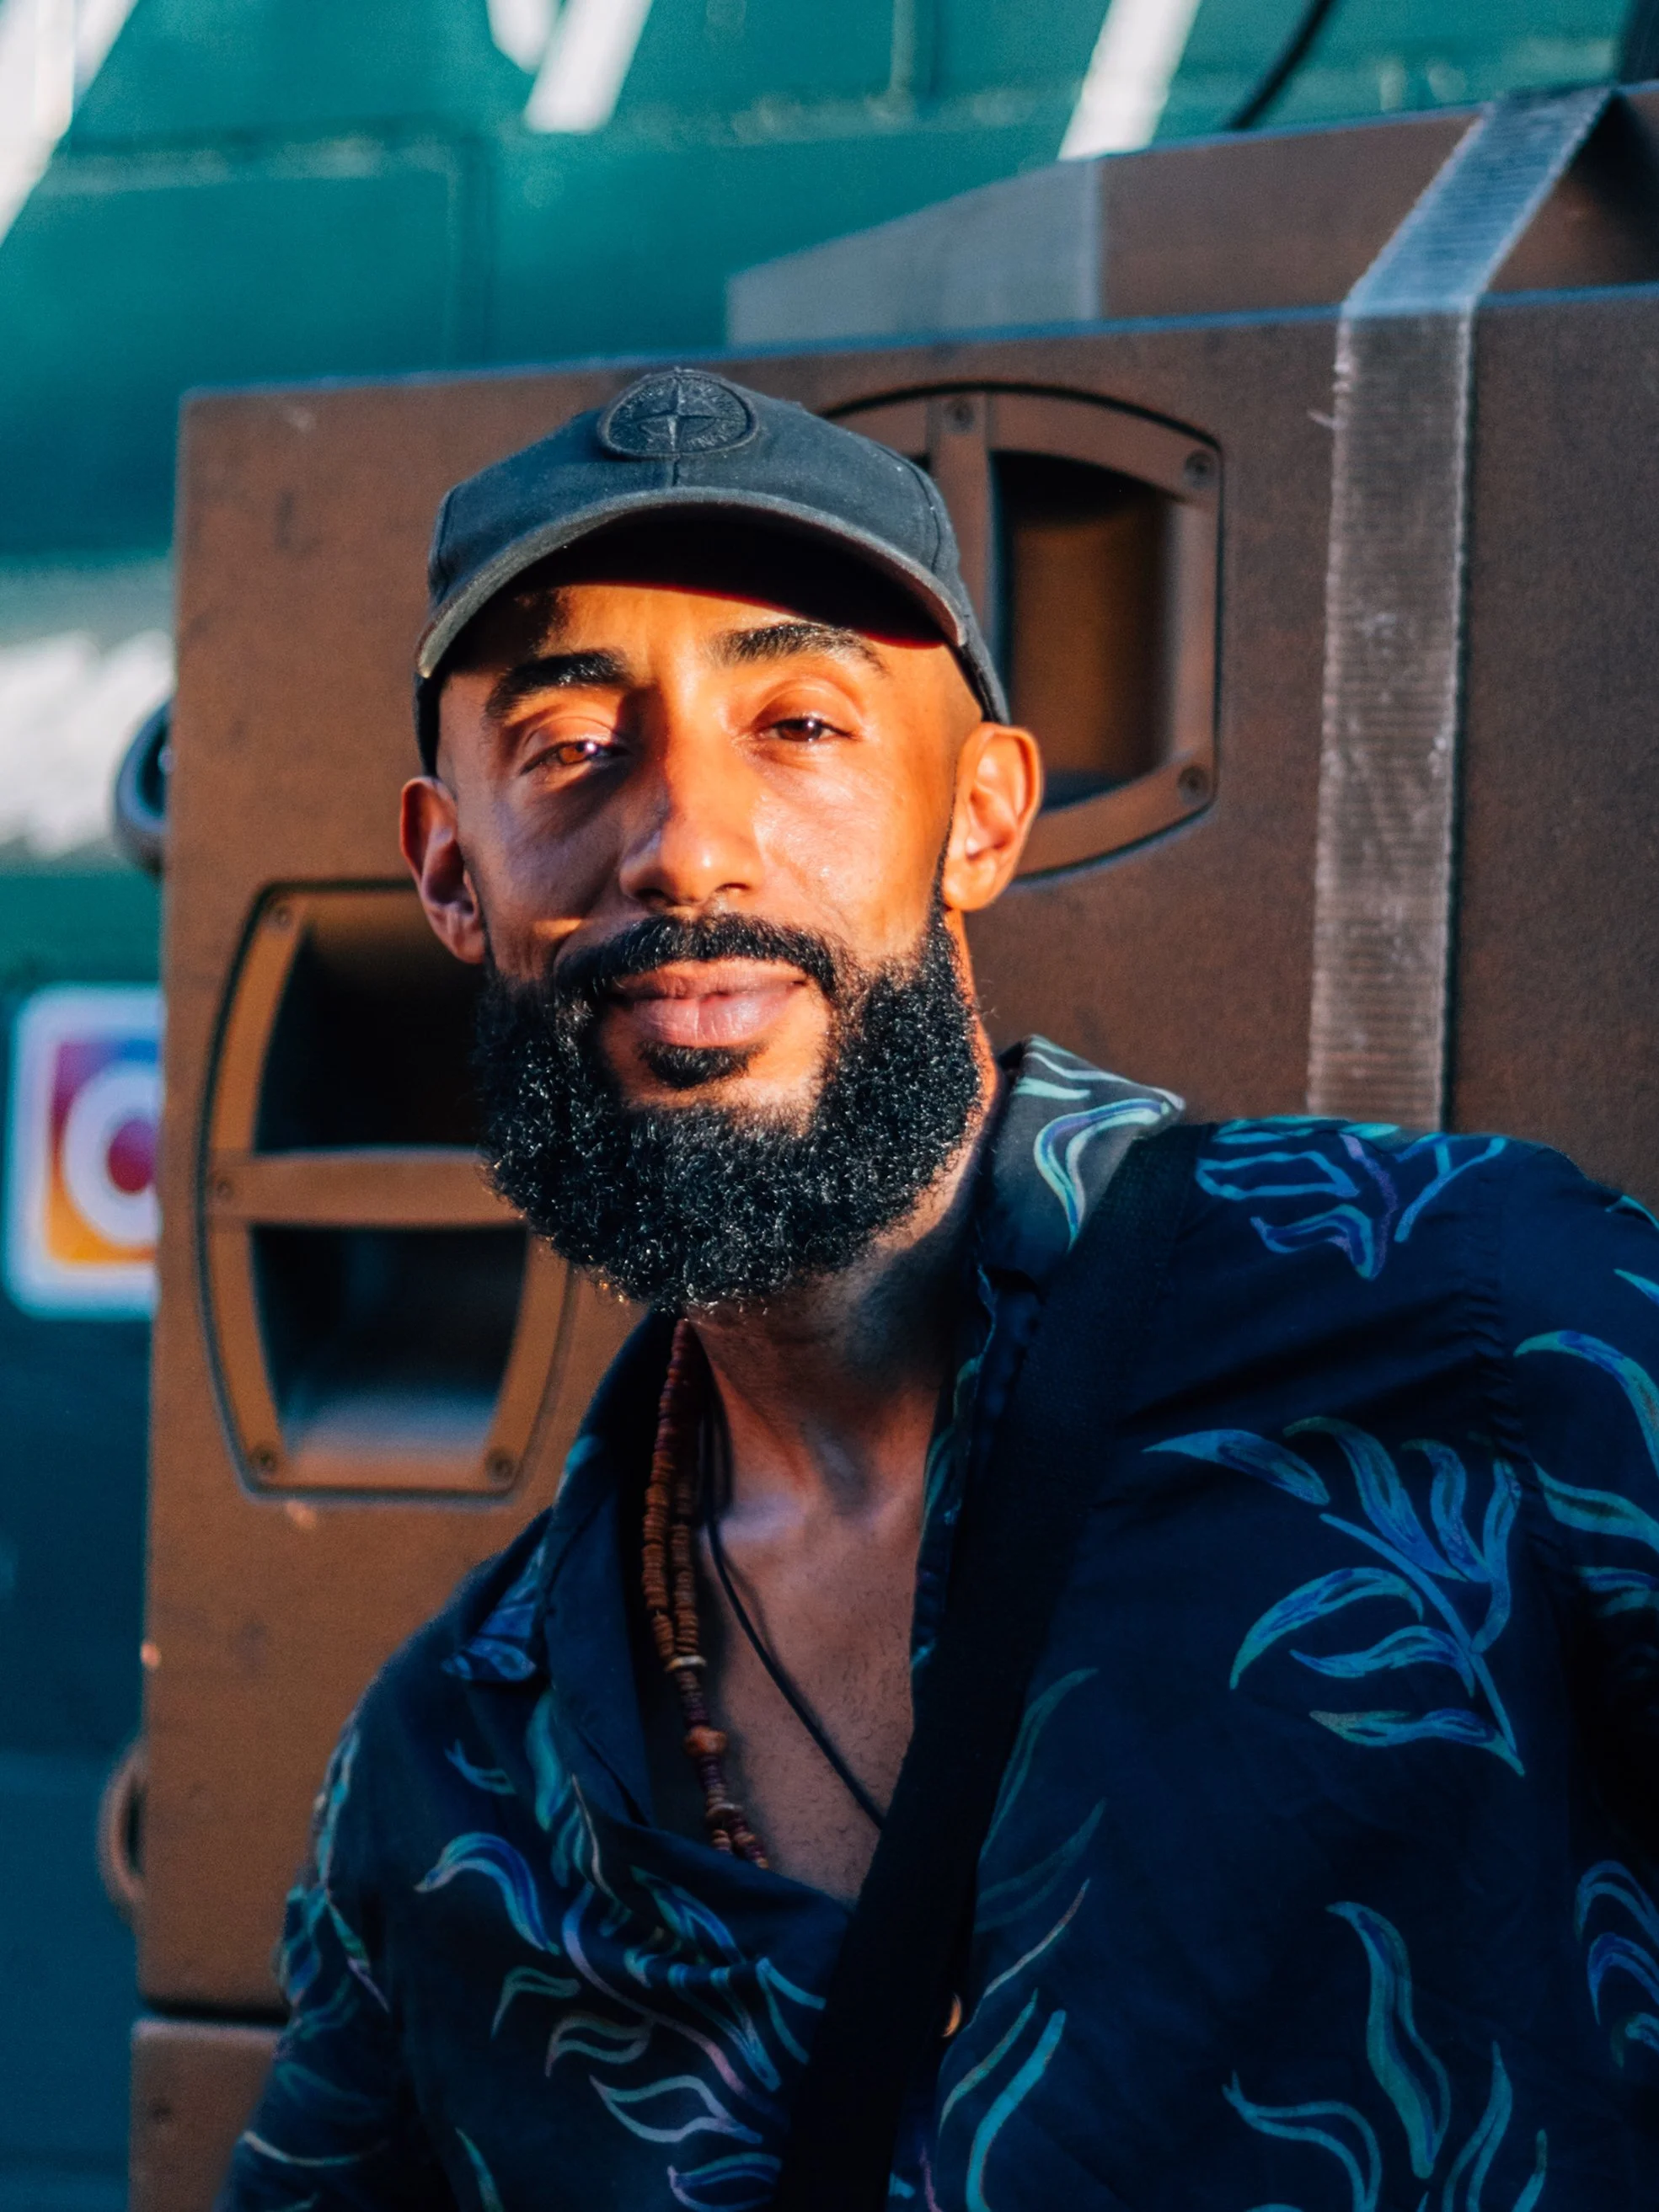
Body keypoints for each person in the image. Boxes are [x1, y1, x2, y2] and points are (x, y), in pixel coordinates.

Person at [222, 369, 1659, 2211]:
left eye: (801, 721)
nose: (686, 843)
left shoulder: (1475, 1324)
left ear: (978, 817)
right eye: (573, 745)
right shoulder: (448, 1783)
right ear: (451, 871)